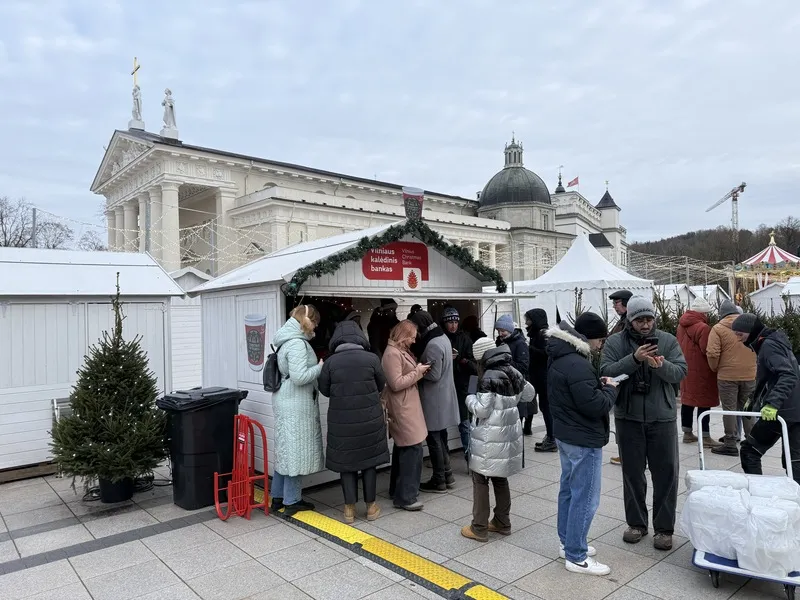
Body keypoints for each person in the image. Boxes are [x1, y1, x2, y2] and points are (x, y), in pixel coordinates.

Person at [600, 296, 687, 551]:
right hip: (629, 418)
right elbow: (606, 372)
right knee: (632, 474)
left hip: (663, 417)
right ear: (630, 320)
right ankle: (636, 524)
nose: (645, 324)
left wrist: (660, 365)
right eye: (639, 320)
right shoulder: (616, 342)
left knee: (666, 474)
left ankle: (664, 528)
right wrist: (635, 359)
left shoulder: (668, 341)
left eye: (649, 319)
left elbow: (681, 372)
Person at [548, 312, 619, 576]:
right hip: (583, 438)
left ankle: (568, 543)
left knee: (568, 490)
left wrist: (595, 385)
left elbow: (575, 395)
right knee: (585, 497)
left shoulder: (561, 356)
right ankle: (576, 556)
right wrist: (611, 389)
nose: (601, 345)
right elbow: (595, 405)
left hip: (567, 434)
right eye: (600, 340)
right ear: (589, 338)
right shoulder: (578, 364)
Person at [460, 337, 535, 542]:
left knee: (480, 479)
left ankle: (479, 527)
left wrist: (469, 397)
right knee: (500, 478)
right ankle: (502, 522)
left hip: (488, 437)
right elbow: (529, 394)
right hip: (507, 435)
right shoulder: (512, 370)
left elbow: (482, 410)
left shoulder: (489, 376)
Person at [318, 320, 389, 524]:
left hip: (342, 422)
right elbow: (380, 384)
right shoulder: (371, 358)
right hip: (369, 420)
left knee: (347, 465)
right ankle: (371, 508)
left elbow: (324, 389)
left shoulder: (330, 362)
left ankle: (349, 510)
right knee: (369, 463)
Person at [730, 313, 800, 485]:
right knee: (794, 462)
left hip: (782, 412)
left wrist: (772, 404)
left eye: (740, 334)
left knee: (749, 451)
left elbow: (788, 375)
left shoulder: (768, 345)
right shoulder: (771, 340)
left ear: (751, 330)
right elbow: (769, 377)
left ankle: (759, 493)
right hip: (792, 409)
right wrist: (753, 400)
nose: (738, 339)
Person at [271, 304, 326, 516]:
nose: (316, 326)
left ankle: (278, 498)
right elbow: (299, 376)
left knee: (285, 451)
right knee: (294, 451)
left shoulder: (287, 340)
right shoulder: (296, 344)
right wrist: (320, 366)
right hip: (295, 404)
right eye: (315, 322)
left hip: (288, 401)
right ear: (306, 320)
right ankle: (292, 500)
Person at [408, 310, 460, 493]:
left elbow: (434, 374)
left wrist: (417, 371)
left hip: (434, 399)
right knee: (442, 437)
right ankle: (448, 475)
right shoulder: (442, 337)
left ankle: (439, 480)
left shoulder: (432, 344)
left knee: (434, 440)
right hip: (443, 397)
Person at [381, 320, 431, 511]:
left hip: (406, 405)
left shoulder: (396, 351)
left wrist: (419, 370)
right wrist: (418, 372)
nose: (413, 340)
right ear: (402, 335)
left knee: (405, 450)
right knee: (413, 450)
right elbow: (395, 383)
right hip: (403, 408)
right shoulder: (392, 353)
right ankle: (406, 497)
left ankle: (398, 491)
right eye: (411, 336)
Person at [707, 300, 757, 456]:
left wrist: (716, 368)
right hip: (750, 375)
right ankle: (752, 442)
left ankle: (730, 443)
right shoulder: (751, 326)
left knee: (729, 410)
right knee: (748, 409)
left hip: (727, 376)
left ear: (721, 314)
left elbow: (712, 353)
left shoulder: (718, 328)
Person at [676, 299, 721, 447]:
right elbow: (706, 350)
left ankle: (687, 433)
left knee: (687, 400)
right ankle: (705, 435)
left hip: (685, 368)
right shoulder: (703, 327)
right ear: (703, 313)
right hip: (701, 370)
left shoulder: (681, 326)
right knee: (704, 401)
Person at [441, 307, 477, 460]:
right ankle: (444, 460)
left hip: (463, 386)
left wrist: (460, 359)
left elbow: (474, 367)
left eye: (455, 322)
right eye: (450, 322)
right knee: (442, 425)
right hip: (446, 387)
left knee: (465, 424)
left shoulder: (465, 339)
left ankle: (471, 459)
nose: (453, 325)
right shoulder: (441, 338)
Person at [608, 290, 633, 465]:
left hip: (626, 374)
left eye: (616, 303)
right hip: (620, 373)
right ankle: (624, 452)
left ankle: (627, 454)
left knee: (626, 415)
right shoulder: (623, 321)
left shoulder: (630, 323)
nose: (614, 306)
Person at [495, 314, 532, 432]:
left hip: (516, 388)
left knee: (515, 427)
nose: (500, 334)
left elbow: (524, 367)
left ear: (510, 330)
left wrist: (506, 361)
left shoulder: (520, 344)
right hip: (504, 387)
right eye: (498, 331)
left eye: (503, 331)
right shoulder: (501, 342)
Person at [525, 308, 555, 449]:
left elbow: (546, 354)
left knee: (546, 407)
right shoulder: (536, 333)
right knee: (544, 406)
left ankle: (551, 438)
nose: (526, 322)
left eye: (529, 319)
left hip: (543, 377)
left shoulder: (542, 334)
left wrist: (529, 349)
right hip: (538, 376)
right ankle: (550, 436)